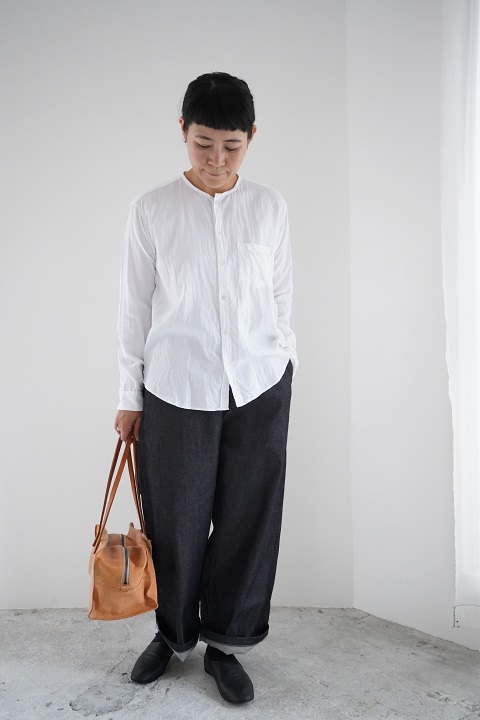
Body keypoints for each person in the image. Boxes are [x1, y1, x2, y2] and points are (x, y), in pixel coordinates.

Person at [114, 71, 298, 705]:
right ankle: (173, 635)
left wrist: (283, 361)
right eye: (202, 143)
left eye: (231, 146)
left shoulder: (270, 207)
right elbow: (133, 309)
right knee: (176, 521)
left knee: (250, 518)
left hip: (259, 385)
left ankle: (226, 643)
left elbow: (280, 296)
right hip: (175, 387)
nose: (216, 160)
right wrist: (129, 396)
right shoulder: (152, 210)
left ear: (251, 138)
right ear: (182, 132)